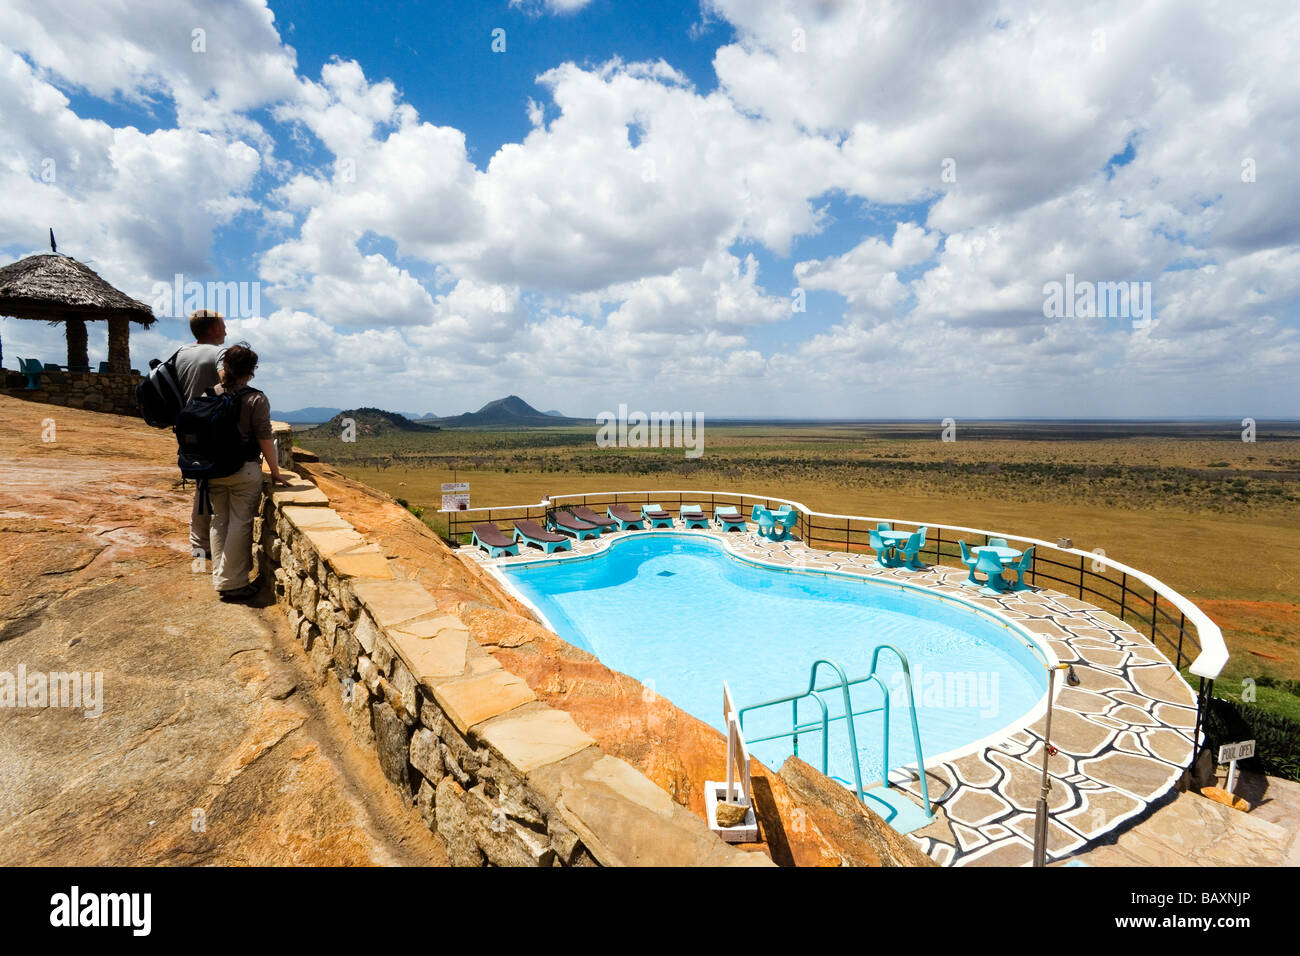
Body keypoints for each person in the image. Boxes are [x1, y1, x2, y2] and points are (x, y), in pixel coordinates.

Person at [205, 344, 290, 601]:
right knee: (240, 522)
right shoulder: (255, 398)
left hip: (212, 468)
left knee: (219, 520)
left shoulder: (211, 394)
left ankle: (222, 578)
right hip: (243, 469)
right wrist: (274, 471)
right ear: (252, 370)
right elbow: (264, 436)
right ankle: (233, 584)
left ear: (225, 368)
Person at [174, 309, 227, 559]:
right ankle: (205, 544)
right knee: (211, 483)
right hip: (211, 427)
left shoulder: (181, 353)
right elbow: (227, 381)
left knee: (202, 481)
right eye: (223, 325)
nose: (226, 330)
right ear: (214, 329)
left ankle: (199, 541)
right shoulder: (219, 353)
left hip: (185, 426)